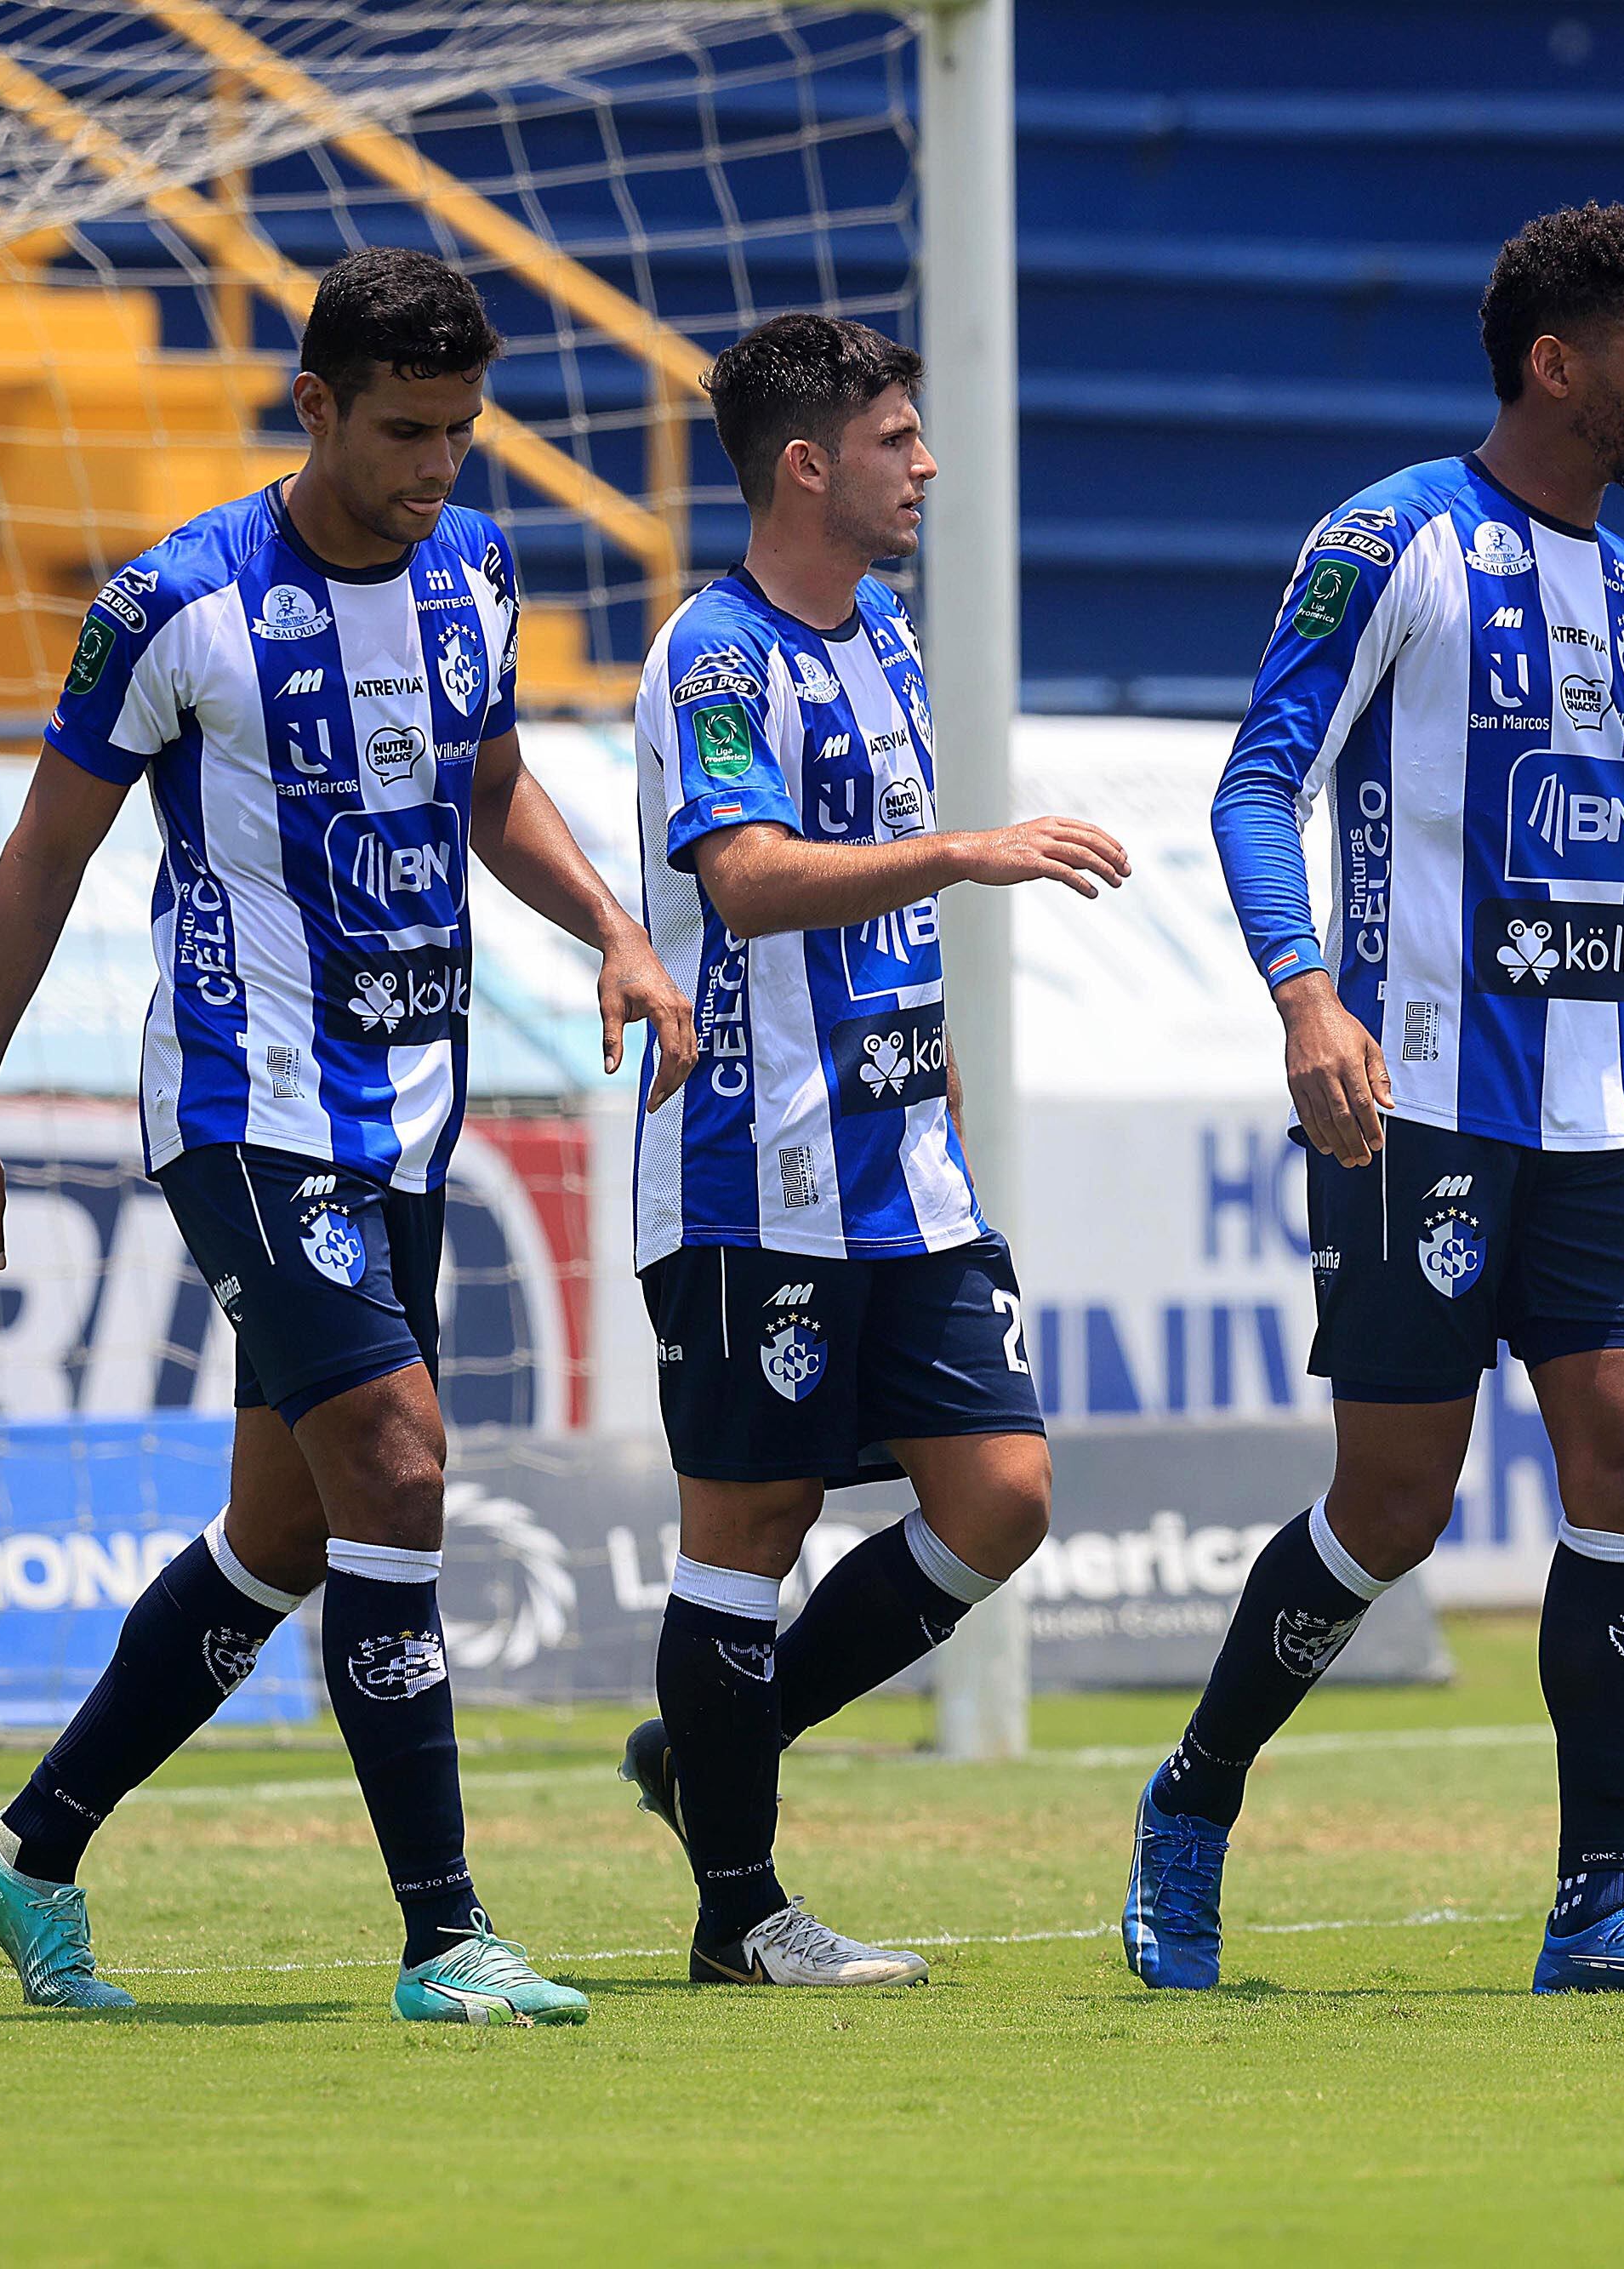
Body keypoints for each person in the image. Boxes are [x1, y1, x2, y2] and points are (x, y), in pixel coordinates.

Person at [0, 248, 691, 2024]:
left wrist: (618, 930)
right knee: (401, 1466)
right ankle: (446, 1934)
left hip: (410, 1112)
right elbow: (46, 854)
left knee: (286, 1537)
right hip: (247, 1105)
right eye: (405, 431)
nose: (438, 467)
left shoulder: (475, 568)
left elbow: (489, 787)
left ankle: (25, 1853)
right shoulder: (175, 602)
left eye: (463, 432)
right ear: (313, 405)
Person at [1125, 203, 1624, 1999]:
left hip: (1614, 1101)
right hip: (1420, 1101)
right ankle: (1192, 1790)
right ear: (1557, 365)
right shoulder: (1389, 540)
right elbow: (1258, 784)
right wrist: (1304, 993)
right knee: (1397, 1502)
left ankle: (1601, 1900)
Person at [604, 316, 1131, 1986]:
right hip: (751, 1165)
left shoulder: (886, 633)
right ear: (807, 464)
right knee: (743, 1528)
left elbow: (882, 915)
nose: (922, 466)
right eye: (894, 439)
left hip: (905, 1165)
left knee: (1003, 1494)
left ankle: (705, 1749)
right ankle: (738, 1910)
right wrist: (972, 849)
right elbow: (747, 878)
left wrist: (948, 1088)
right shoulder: (714, 650)